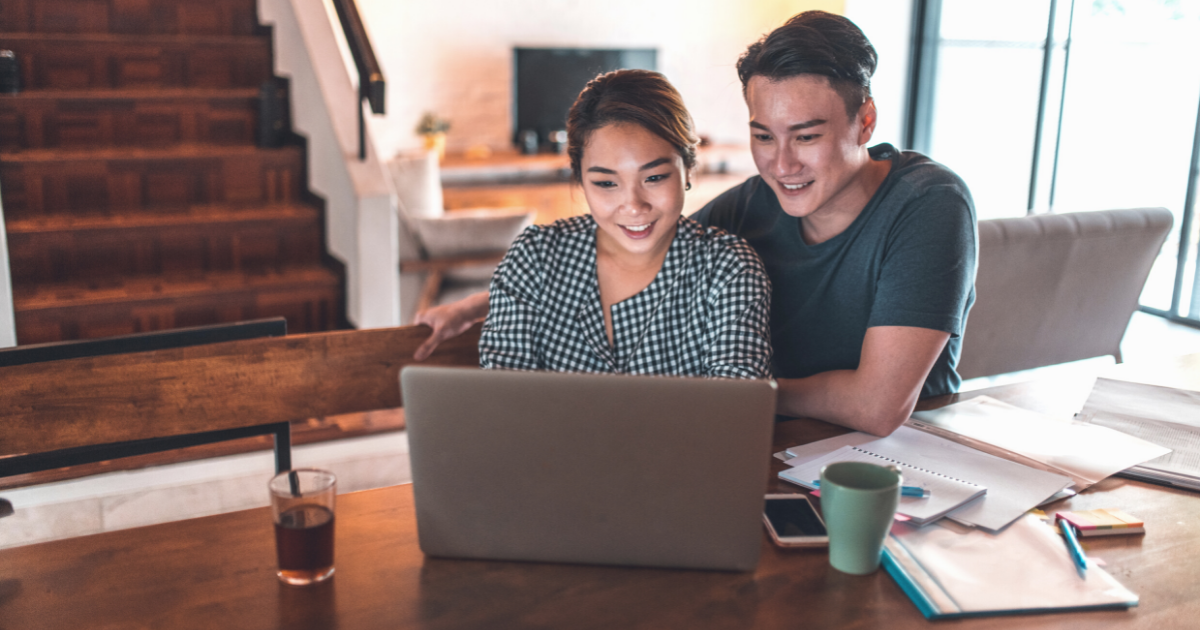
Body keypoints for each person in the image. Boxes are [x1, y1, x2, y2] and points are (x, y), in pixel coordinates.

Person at [415, 11, 975, 435]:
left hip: (905, 455)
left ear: (864, 120)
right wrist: (474, 305)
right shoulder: (756, 203)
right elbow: (633, 240)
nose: (781, 165)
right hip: (777, 444)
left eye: (806, 136)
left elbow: (877, 407)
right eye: (762, 135)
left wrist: (741, 394)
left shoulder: (929, 204)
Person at [478, 69, 773, 378]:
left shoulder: (727, 268)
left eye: (655, 178)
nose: (633, 206)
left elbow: (737, 404)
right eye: (606, 183)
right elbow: (505, 396)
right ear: (580, 180)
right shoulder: (534, 257)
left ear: (687, 168)